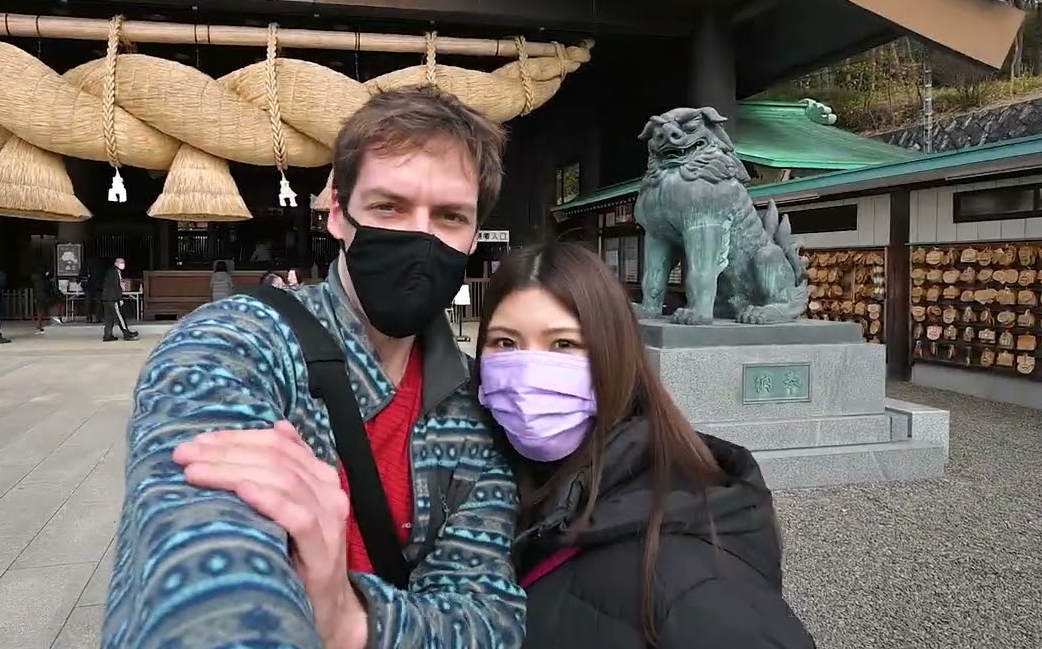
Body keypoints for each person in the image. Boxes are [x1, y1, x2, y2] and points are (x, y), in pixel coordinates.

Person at [102, 86, 524, 649]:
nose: (419, 237)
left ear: (473, 236)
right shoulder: (235, 344)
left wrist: (346, 617)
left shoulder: (476, 406)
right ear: (337, 212)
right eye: (388, 207)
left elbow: (488, 618)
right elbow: (200, 552)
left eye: (449, 216)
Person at [476, 242, 815, 649]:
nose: (528, 368)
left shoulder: (691, 583)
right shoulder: (472, 484)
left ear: (614, 353)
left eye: (564, 344)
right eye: (505, 343)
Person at [101, 257, 139, 342]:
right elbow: (116, 287)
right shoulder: (115, 273)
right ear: (116, 263)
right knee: (120, 317)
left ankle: (108, 335)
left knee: (109, 318)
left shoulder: (112, 272)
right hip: (112, 298)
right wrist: (119, 298)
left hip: (106, 298)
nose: (123, 264)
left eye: (123, 262)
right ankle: (127, 334)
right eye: (121, 262)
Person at [30, 264, 65, 334]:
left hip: (38, 297)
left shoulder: (35, 279)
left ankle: (39, 327)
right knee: (59, 301)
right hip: (45, 297)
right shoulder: (44, 279)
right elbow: (47, 287)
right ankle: (57, 316)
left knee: (40, 312)